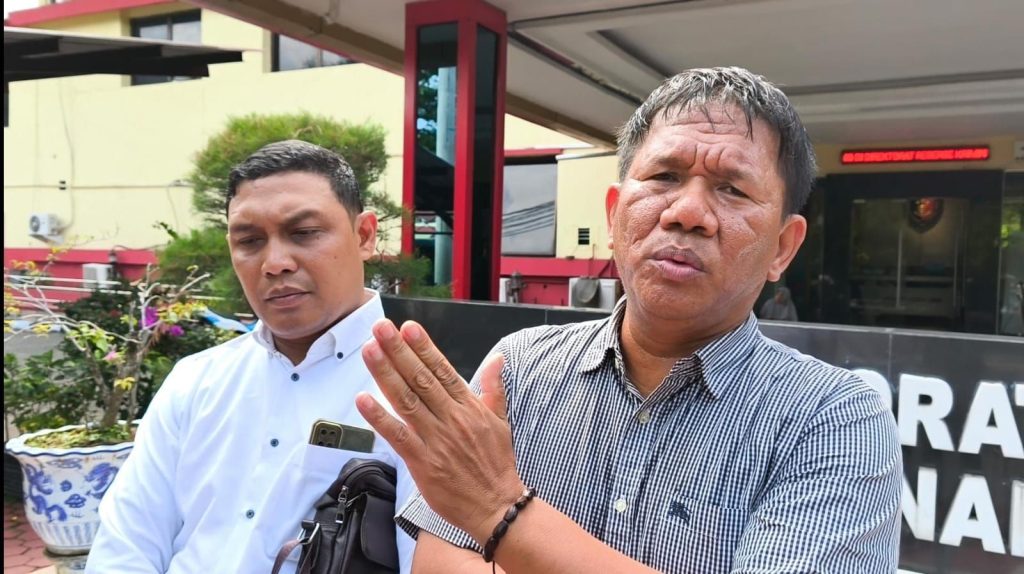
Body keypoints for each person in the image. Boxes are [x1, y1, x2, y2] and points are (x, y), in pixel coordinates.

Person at [352, 67, 902, 573]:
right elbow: (438, 560)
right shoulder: (519, 369)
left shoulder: (834, 420)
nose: (687, 213)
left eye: (732, 188)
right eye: (664, 175)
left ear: (783, 247)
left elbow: (480, 524)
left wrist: (501, 511)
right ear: (614, 215)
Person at [86, 140, 416, 573]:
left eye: (304, 232)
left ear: (364, 235)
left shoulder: (419, 398)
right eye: (249, 240)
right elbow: (127, 544)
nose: (275, 263)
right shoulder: (194, 382)